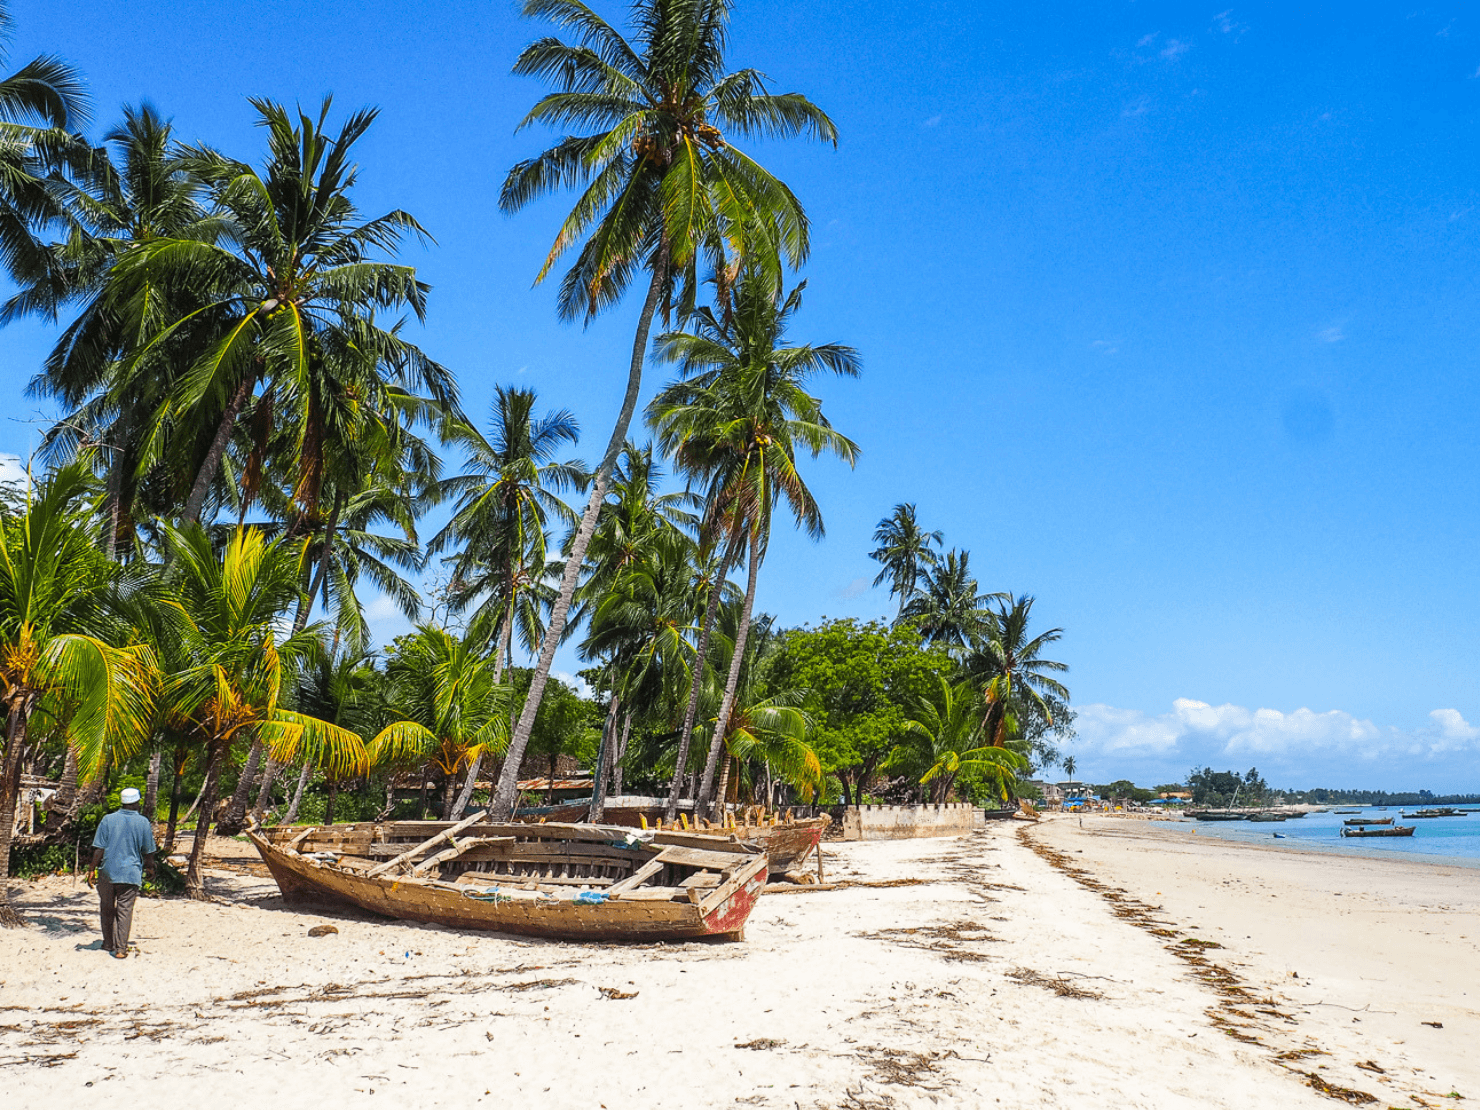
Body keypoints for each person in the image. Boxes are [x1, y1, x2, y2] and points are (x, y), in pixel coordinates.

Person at [88, 788, 157, 959]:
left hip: (108, 871)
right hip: (130, 873)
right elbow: (148, 851)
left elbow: (99, 849)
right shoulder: (143, 822)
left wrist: (91, 869)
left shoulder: (107, 820)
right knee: (124, 910)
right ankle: (120, 949)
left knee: (106, 908)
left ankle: (107, 943)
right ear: (137, 802)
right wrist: (150, 868)